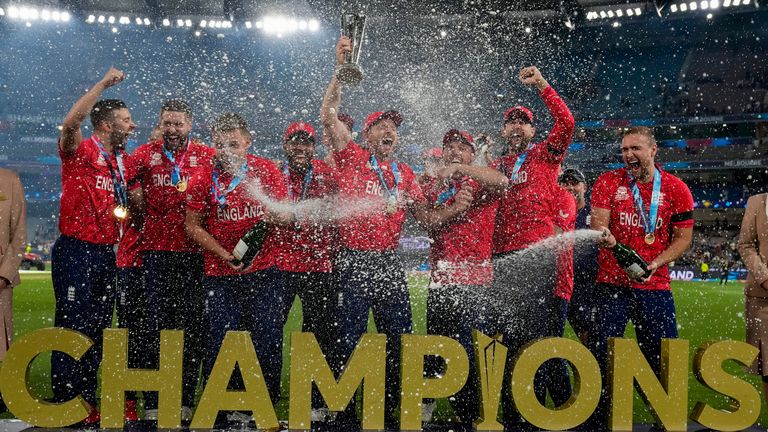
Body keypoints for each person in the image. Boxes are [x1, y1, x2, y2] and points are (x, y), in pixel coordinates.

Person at [320, 36, 434, 429]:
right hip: (354, 260)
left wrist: (459, 203)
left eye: (394, 128)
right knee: (349, 337)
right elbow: (328, 115)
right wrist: (339, 70)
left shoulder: (403, 174)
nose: (390, 132)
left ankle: (395, 407)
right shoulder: (351, 157)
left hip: (387, 262)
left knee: (400, 338)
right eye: (381, 126)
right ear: (366, 135)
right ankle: (346, 408)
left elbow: (429, 220)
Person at [184, 113, 290, 421]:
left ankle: (263, 408)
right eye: (220, 145)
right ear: (213, 146)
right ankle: (222, 407)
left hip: (265, 273)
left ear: (247, 142)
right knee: (220, 340)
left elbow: (285, 215)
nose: (227, 150)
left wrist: (275, 216)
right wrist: (223, 253)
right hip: (220, 275)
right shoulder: (204, 177)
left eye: (234, 144)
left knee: (267, 339)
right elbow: (192, 225)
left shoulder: (266, 170)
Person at [488, 65, 575, 427]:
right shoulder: (495, 165)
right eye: (511, 122)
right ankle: (512, 410)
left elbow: (567, 123)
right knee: (506, 338)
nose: (516, 126)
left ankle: (535, 409)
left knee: (537, 339)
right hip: (502, 260)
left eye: (523, 122)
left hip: (537, 258)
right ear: (503, 130)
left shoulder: (544, 155)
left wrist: (541, 85)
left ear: (533, 131)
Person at [591, 126, 694, 428]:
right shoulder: (608, 181)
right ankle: (600, 419)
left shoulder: (676, 189)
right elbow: (599, 225)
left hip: (655, 285)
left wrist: (655, 262)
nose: (628, 155)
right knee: (601, 354)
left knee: (663, 357)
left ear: (653, 150)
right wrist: (608, 240)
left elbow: (683, 238)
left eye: (635, 148)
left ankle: (666, 419)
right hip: (611, 285)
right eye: (624, 150)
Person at [52, 67, 136, 425]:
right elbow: (72, 122)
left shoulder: (119, 162)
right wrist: (102, 85)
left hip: (104, 253)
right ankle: (65, 401)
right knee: (73, 327)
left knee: (99, 330)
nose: (132, 126)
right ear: (106, 125)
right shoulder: (80, 150)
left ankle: (87, 399)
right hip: (76, 250)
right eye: (127, 120)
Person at [124, 99, 215, 421]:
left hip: (195, 255)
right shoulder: (144, 155)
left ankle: (185, 399)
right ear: (160, 125)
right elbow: (122, 177)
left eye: (178, 124)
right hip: (157, 254)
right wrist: (134, 195)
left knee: (192, 330)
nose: (173, 130)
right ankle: (153, 399)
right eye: (167, 124)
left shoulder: (207, 156)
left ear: (190, 125)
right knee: (154, 329)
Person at [418, 129, 503, 427]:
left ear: (471, 154)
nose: (454, 151)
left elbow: (503, 180)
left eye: (461, 147)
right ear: (441, 153)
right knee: (436, 345)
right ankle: (426, 406)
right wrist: (454, 209)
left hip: (475, 281)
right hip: (442, 279)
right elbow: (425, 220)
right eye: (449, 147)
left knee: (469, 349)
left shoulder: (480, 179)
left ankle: (468, 413)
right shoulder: (432, 183)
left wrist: (461, 169)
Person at [273, 121, 340, 421]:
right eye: (294, 142)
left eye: (306, 143)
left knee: (318, 336)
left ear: (314, 148)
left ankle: (315, 401)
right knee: (270, 332)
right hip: (280, 266)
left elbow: (341, 210)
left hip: (318, 266)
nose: (300, 147)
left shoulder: (328, 176)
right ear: (286, 145)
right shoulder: (273, 173)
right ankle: (264, 397)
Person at [559, 168, 599, 343]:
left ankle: (589, 369)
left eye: (574, 183)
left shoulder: (596, 213)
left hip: (587, 286)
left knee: (588, 335)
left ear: (585, 187)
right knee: (551, 333)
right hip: (559, 283)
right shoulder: (553, 212)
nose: (570, 187)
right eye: (565, 183)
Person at [0, 168, 27, 414]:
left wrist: (4, 275)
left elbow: (19, 237)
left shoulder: (10, 181)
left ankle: (1, 391)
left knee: (1, 339)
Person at [738, 192, 768, 409]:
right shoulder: (757, 202)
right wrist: (765, 277)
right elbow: (746, 245)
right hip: (763, 297)